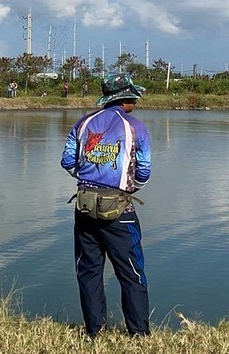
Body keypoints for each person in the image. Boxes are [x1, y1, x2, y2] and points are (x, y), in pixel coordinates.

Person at [60, 73, 153, 339]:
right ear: (126, 97)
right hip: (120, 213)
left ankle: (95, 332)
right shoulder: (136, 127)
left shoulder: (83, 123)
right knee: (132, 273)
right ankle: (138, 334)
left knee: (88, 271)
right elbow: (144, 169)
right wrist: (128, 188)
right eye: (133, 95)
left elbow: (67, 161)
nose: (136, 99)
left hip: (85, 208)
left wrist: (88, 178)